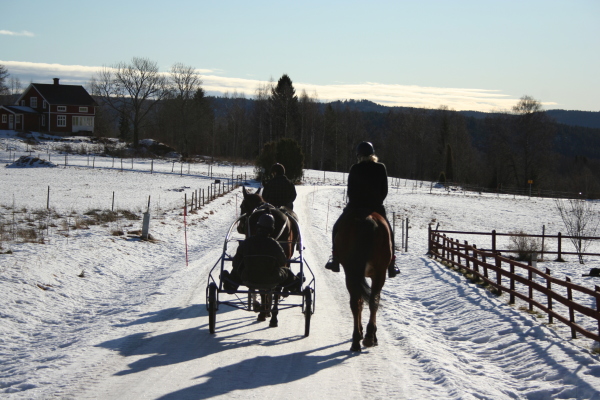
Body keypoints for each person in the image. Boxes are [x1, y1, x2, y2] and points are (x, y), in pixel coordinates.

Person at [325, 141, 399, 278]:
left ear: (359, 155)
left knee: (336, 228)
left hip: (355, 207)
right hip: (376, 207)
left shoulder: (355, 168)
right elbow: (384, 191)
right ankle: (391, 264)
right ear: (373, 154)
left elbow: (350, 191)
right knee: (389, 232)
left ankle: (335, 259)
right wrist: (376, 202)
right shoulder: (381, 167)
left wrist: (355, 204)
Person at [223, 213, 300, 292]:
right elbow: (283, 261)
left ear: (257, 227)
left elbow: (236, 263)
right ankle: (294, 284)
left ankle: (230, 284)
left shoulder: (247, 243)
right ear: (272, 229)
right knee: (286, 271)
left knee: (237, 269)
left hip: (248, 279)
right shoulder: (275, 245)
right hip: (271, 281)